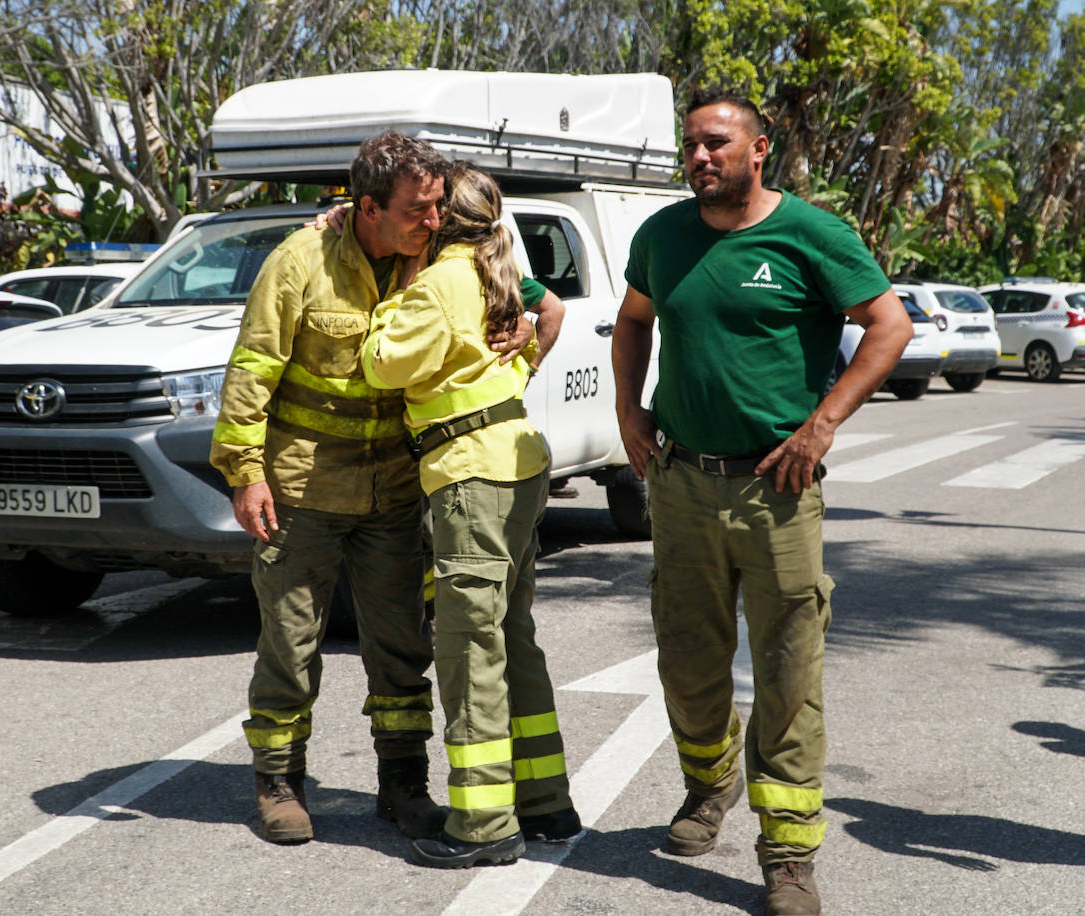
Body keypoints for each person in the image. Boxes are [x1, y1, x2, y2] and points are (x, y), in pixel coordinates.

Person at [611, 90, 911, 915]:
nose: (701, 158)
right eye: (691, 146)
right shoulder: (663, 236)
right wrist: (628, 411)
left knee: (787, 672)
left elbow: (888, 328)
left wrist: (820, 428)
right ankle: (709, 789)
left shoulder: (812, 235)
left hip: (776, 491)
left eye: (717, 143)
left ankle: (787, 856)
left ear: (758, 149)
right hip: (680, 485)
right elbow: (633, 321)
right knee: (687, 656)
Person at [209, 131, 544, 846]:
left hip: (393, 489)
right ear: (368, 207)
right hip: (302, 490)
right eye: (419, 209)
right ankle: (279, 780)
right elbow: (253, 368)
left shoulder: (427, 259)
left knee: (399, 645)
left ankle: (403, 784)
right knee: (291, 643)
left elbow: (513, 309)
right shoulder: (300, 261)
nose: (434, 221)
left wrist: (529, 333)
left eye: (436, 207)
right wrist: (245, 473)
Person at [361, 162, 581, 868]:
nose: (419, 217)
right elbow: (552, 313)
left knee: (467, 648)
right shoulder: (496, 268)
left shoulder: (441, 281)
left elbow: (379, 362)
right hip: (515, 460)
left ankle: (483, 824)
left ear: (440, 221)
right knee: (512, 635)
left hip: (469, 475)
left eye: (428, 208)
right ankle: (545, 803)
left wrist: (394, 297)